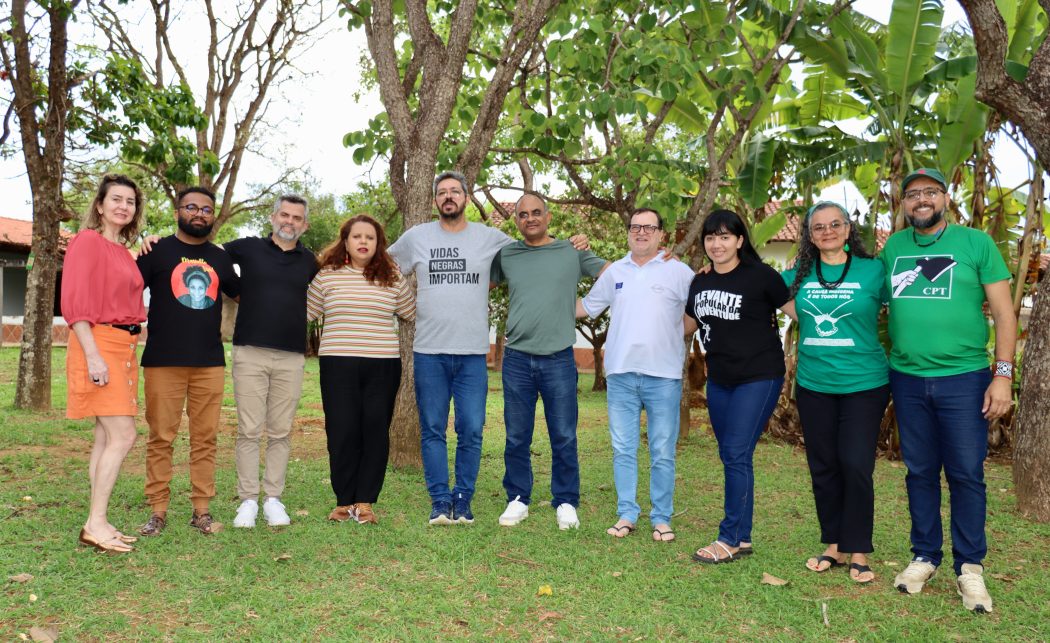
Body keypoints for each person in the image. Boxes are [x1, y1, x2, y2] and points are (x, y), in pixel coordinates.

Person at [388, 170, 586, 525]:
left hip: (472, 354)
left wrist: (570, 245)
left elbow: (533, 249)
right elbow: (384, 268)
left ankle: (462, 499)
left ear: (465, 197)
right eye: (442, 192)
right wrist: (402, 302)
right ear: (435, 200)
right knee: (433, 428)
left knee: (472, 428)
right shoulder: (416, 237)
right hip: (429, 351)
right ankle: (439, 500)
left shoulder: (490, 238)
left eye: (455, 191)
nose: (449, 197)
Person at [883, 168, 1015, 614]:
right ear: (903, 204)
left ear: (945, 197)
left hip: (965, 378)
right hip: (907, 377)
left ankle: (970, 568)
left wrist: (1003, 375)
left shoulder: (976, 243)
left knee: (964, 473)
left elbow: (1004, 313)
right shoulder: (893, 248)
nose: (921, 200)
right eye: (912, 195)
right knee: (919, 471)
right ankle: (924, 555)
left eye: (930, 193)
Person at [781, 202, 889, 583]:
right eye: (818, 227)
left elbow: (905, 305)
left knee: (856, 464)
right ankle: (834, 545)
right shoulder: (797, 274)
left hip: (865, 384)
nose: (827, 231)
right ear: (810, 235)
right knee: (823, 465)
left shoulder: (874, 270)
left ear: (848, 230)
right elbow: (754, 284)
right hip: (814, 385)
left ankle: (858, 547)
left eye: (835, 224)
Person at [489, 193, 607, 530]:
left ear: (549, 216)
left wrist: (659, 258)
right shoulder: (508, 254)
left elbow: (616, 275)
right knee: (516, 435)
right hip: (516, 360)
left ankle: (566, 500)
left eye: (536, 213)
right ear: (517, 221)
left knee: (564, 435)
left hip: (558, 358)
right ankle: (517, 498)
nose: (530, 219)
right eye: (523, 214)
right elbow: (481, 284)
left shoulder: (572, 251)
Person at [577, 208, 695, 542]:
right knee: (623, 448)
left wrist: (673, 334)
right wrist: (543, 297)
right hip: (622, 375)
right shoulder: (615, 271)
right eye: (635, 227)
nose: (641, 232)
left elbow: (697, 312)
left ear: (661, 235)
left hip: (664, 376)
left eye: (649, 227)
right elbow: (586, 307)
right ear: (628, 232)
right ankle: (627, 513)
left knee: (662, 450)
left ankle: (661, 517)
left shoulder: (679, 271)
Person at [684, 209, 791, 564]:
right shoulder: (699, 281)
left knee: (735, 453)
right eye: (711, 238)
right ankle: (742, 538)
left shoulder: (762, 277)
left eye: (725, 237)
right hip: (721, 379)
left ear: (740, 241)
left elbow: (800, 312)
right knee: (733, 455)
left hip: (759, 376)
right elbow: (686, 324)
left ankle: (728, 538)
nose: (717, 244)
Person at [137, 187, 240, 537]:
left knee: (205, 438)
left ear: (213, 216)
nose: (199, 213)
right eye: (192, 207)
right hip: (162, 362)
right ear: (178, 210)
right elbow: (125, 283)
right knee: (161, 437)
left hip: (209, 363)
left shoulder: (220, 257)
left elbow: (244, 293)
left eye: (206, 209)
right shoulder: (157, 250)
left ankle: (201, 511)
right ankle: (158, 511)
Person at [308, 215, 415, 524]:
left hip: (382, 364)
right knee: (342, 430)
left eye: (370, 237)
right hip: (337, 364)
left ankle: (365, 501)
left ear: (378, 243)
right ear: (346, 241)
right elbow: (305, 311)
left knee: (374, 431)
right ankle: (343, 502)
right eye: (357, 236)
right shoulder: (327, 275)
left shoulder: (391, 275)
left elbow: (409, 311)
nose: (364, 242)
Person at [61, 174, 147, 554]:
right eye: (116, 199)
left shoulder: (124, 252)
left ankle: (99, 518)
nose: (123, 206)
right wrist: (93, 354)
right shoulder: (87, 241)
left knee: (104, 435)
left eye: (130, 201)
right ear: (99, 205)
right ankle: (94, 522)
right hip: (98, 343)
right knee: (124, 435)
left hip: (124, 345)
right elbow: (76, 301)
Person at [226, 195, 318, 529]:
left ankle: (273, 499)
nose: (289, 222)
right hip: (250, 352)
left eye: (296, 218)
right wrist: (239, 290)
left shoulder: (310, 262)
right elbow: (210, 255)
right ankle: (248, 500)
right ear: (272, 217)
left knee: (280, 431)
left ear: (304, 224)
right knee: (249, 429)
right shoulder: (248, 248)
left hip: (291, 357)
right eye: (284, 215)